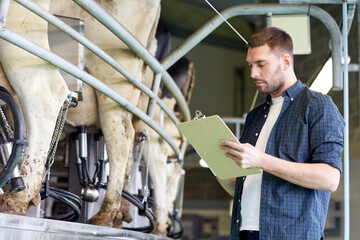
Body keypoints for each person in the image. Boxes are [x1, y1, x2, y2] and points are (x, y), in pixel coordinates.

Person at [219, 27, 345, 240]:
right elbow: (240, 185)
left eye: (261, 65)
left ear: (285, 62)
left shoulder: (318, 107)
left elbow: (330, 178)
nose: (253, 74)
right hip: (244, 233)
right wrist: (219, 161)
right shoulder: (255, 117)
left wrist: (261, 160)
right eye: (250, 66)